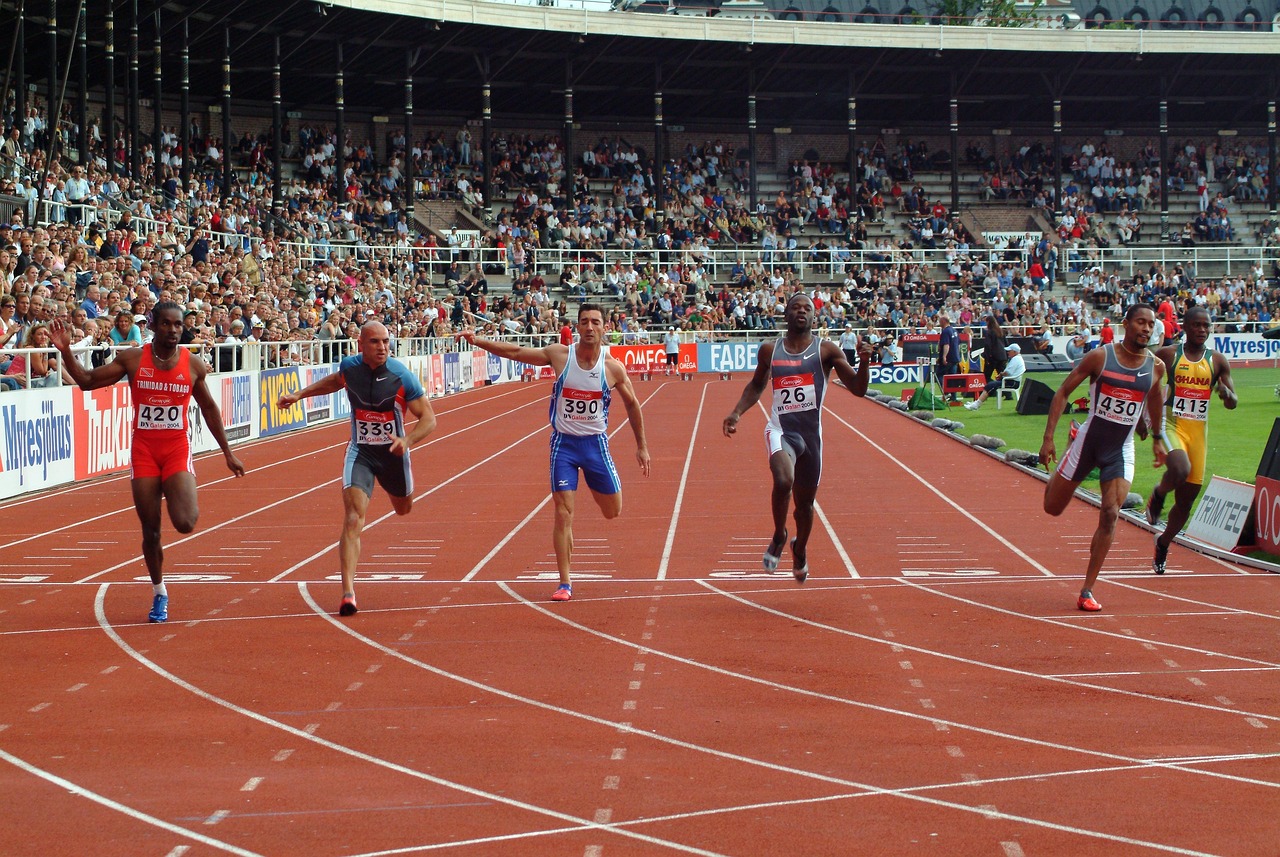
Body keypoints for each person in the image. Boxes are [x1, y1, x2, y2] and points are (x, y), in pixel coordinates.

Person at [50, 303, 246, 623]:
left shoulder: (193, 365)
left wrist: (227, 452)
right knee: (151, 531)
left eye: (178, 325)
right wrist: (66, 351)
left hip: (175, 448)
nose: (172, 330)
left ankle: (176, 487)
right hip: (144, 450)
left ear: (183, 328)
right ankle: (159, 592)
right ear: (154, 325)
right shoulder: (132, 359)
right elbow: (86, 381)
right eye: (166, 324)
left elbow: (209, 408)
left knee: (185, 522)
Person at [459, 303, 650, 602]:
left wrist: (642, 446)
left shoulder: (612, 368)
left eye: (595, 322)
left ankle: (592, 494)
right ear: (577, 326)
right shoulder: (561, 355)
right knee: (563, 513)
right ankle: (565, 582)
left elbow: (633, 404)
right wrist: (478, 341)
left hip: (596, 444)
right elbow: (516, 352)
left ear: (604, 327)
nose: (589, 327)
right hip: (564, 445)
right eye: (584, 322)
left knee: (613, 511)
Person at [276, 321, 437, 616]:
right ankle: (348, 593)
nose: (383, 347)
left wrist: (408, 439)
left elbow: (429, 418)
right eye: (375, 342)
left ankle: (391, 488)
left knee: (403, 508)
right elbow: (334, 382)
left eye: (386, 341)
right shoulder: (350, 367)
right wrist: (299, 394)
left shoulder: (402, 376)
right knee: (353, 518)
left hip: (393, 455)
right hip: (361, 452)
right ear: (360, 344)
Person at [722, 292, 873, 582]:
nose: (801, 311)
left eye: (807, 308)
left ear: (814, 317)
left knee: (804, 507)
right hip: (781, 430)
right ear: (786, 314)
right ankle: (779, 535)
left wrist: (864, 362)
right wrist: (737, 412)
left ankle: (799, 548)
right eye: (795, 307)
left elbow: (858, 389)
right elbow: (756, 386)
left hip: (811, 441)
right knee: (782, 480)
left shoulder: (826, 351)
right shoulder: (770, 350)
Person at [1039, 304, 1166, 613]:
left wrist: (1156, 436)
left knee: (1110, 513)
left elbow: (1154, 399)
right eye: (1140, 322)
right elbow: (1063, 392)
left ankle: (1087, 589)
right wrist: (1047, 439)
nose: (1146, 329)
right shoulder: (1100, 357)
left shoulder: (1155, 366)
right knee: (1052, 508)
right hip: (1087, 443)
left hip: (1120, 449)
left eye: (1151, 325)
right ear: (1126, 324)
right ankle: (1071, 445)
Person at [1143, 306, 1237, 574]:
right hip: (1172, 424)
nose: (1202, 330)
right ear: (1185, 326)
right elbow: (1145, 383)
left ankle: (1163, 542)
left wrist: (1227, 396)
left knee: (1186, 501)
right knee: (1180, 470)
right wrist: (1141, 419)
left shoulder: (1217, 361)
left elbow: (1233, 402)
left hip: (1198, 433)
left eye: (1206, 326)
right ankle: (1159, 494)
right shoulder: (1169, 354)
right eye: (1196, 325)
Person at [964, 342, 1025, 410]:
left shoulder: (1015, 359)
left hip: (1011, 382)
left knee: (989, 386)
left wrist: (1001, 374)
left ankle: (976, 405)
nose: (1008, 352)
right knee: (990, 385)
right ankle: (976, 403)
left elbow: (1008, 372)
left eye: (1009, 351)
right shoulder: (1018, 359)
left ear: (1014, 352)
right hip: (1012, 381)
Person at [935, 313, 959, 401]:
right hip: (955, 357)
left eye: (940, 321)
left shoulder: (945, 331)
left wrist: (943, 356)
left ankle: (947, 392)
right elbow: (957, 344)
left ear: (944, 321)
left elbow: (946, 345)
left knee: (939, 375)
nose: (939, 323)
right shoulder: (954, 330)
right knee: (952, 377)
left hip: (948, 358)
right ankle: (953, 397)